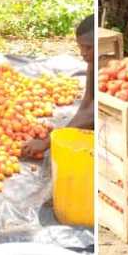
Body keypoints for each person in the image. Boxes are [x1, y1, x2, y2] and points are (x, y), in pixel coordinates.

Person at [20, 14, 95, 159]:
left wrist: (48, 141)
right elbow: (87, 103)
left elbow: (91, 114)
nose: (83, 53)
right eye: (80, 47)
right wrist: (69, 131)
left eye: (88, 48)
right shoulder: (92, 63)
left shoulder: (101, 62)